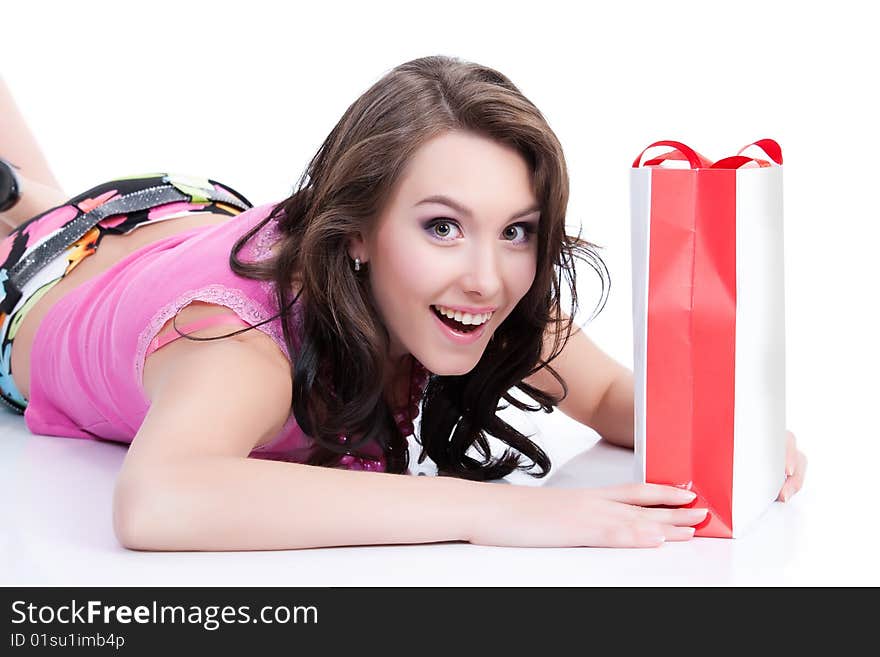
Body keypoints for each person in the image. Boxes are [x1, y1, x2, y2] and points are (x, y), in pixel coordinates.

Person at [0, 56, 806, 551]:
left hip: (185, 217)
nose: (488, 277)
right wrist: (492, 515)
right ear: (358, 229)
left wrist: (736, 438)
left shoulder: (475, 296)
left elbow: (602, 394)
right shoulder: (239, 341)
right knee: (24, 208)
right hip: (37, 279)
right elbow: (156, 501)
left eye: (517, 229)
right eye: (443, 225)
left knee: (32, 190)